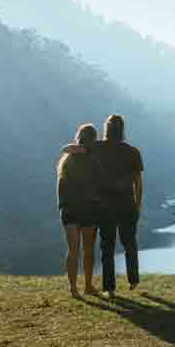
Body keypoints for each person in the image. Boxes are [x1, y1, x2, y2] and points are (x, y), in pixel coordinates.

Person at [95, 113, 144, 300]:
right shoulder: (133, 152)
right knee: (129, 243)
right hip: (127, 204)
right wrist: (138, 206)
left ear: (106, 129)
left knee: (107, 246)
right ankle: (133, 280)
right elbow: (138, 184)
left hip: (105, 205)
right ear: (122, 129)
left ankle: (109, 288)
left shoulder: (97, 148)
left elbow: (77, 147)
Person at [56, 123, 103, 298]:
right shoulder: (94, 159)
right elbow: (99, 184)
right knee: (88, 250)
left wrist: (62, 206)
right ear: (94, 139)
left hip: (69, 209)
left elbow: (61, 185)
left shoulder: (66, 159)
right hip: (89, 208)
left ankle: (73, 288)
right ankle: (88, 286)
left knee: (72, 250)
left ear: (79, 137)